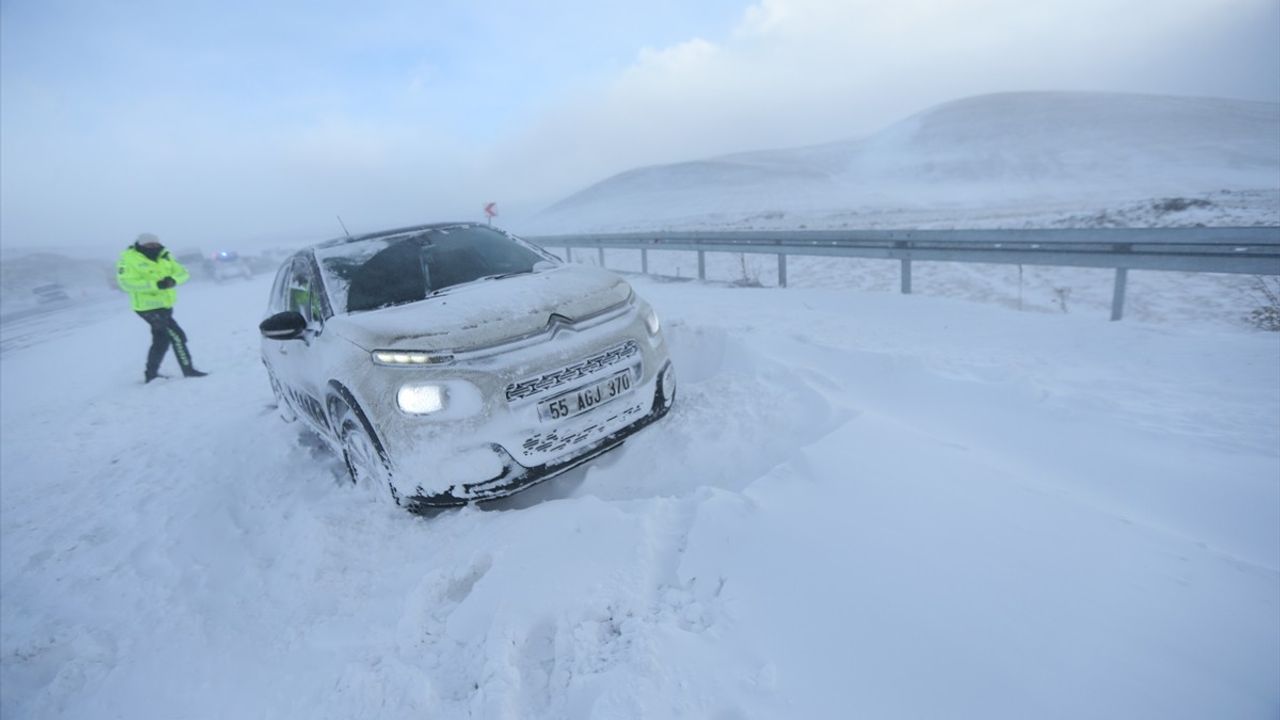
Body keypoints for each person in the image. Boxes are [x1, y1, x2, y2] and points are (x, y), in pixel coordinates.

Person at [116, 233, 208, 383]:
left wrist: (173, 280)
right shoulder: (128, 259)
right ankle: (188, 369)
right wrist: (156, 285)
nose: (153, 247)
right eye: (149, 245)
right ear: (140, 245)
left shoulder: (165, 255)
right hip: (147, 308)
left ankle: (151, 374)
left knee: (161, 341)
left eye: (155, 244)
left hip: (165, 305)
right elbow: (126, 283)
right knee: (177, 336)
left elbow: (183, 273)